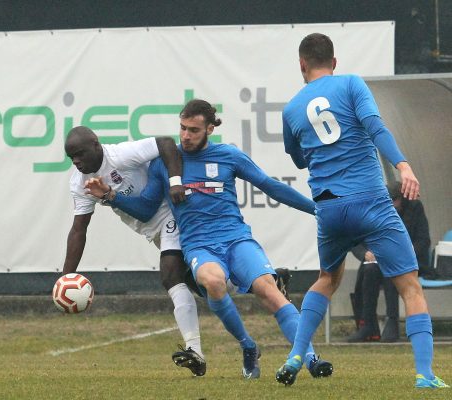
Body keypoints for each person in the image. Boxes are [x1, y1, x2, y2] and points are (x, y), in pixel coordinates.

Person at [84, 99, 333, 380]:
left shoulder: (229, 156)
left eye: (193, 130)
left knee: (269, 289)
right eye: (182, 128)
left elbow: (270, 186)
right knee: (213, 282)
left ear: (210, 129)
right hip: (199, 245)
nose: (185, 136)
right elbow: (145, 209)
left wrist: (317, 209)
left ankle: (310, 358)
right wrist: (111, 196)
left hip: (237, 239)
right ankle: (248, 345)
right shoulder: (165, 163)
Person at [276, 33, 448, 389]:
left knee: (327, 279)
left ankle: (297, 353)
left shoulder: (291, 109)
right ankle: (425, 375)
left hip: (329, 208)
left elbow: (297, 157)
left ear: (302, 65)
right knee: (410, 286)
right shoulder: (351, 84)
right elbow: (375, 127)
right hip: (369, 200)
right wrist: (403, 166)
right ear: (335, 63)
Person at [62, 126, 206, 376]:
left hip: (170, 213)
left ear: (96, 145)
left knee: (170, 276)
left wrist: (174, 182)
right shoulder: (80, 183)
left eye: (80, 154)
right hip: (152, 229)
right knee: (202, 285)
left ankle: (195, 352)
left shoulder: (119, 155)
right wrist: (65, 277)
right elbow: (79, 229)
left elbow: (165, 142)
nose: (76, 161)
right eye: (71, 157)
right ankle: (263, 282)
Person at [348, 181, 433, 343]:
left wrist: (403, 253)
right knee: (370, 270)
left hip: (406, 261)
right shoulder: (374, 209)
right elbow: (355, 240)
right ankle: (368, 324)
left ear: (402, 198)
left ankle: (392, 320)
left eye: (394, 200)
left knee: (391, 269)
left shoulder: (415, 208)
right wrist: (366, 253)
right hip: (378, 261)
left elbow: (423, 241)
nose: (391, 205)